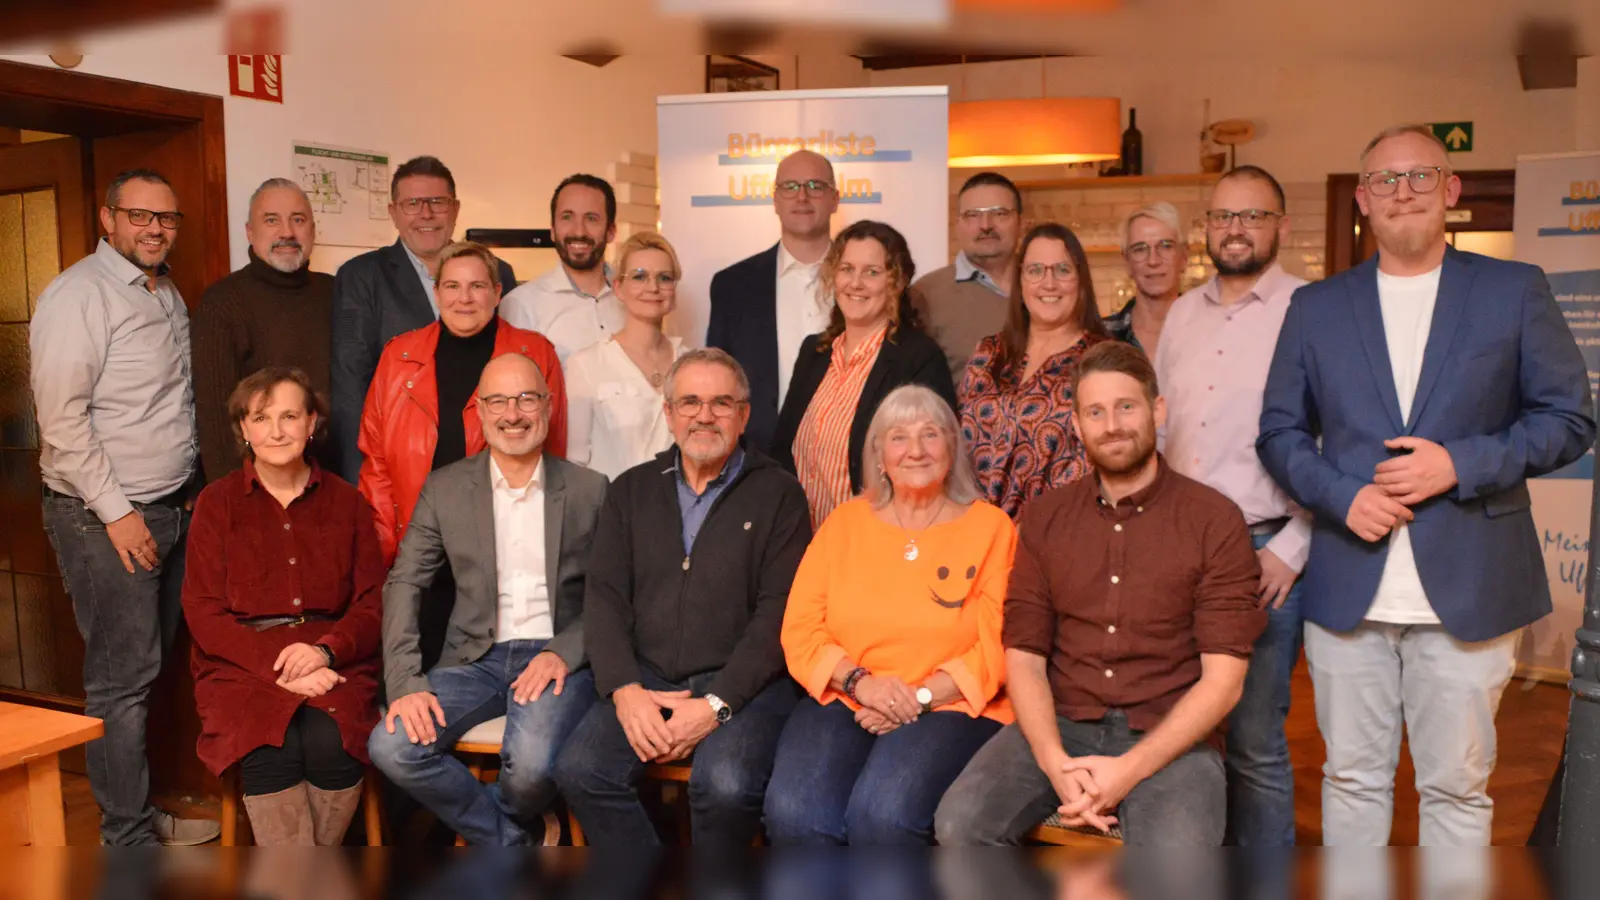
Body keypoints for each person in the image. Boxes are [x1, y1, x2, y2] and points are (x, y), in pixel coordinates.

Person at [1257, 124, 1595, 846]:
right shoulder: (1316, 308)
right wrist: (1344, 496)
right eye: (1385, 179)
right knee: (1349, 781)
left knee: (1457, 790)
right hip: (1349, 586)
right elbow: (1279, 433)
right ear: (1362, 200)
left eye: (1420, 176)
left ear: (1451, 190)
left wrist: (1459, 464)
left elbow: (1568, 419)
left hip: (1471, 586)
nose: (1402, 192)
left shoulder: (1514, 289)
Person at [936, 341, 1265, 845]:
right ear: (1076, 423)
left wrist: (1127, 770)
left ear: (1157, 409)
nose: (1111, 424)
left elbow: (1224, 683)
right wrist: (1053, 762)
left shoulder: (1214, 520)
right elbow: (1023, 655)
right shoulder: (1047, 518)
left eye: (1126, 407)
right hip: (1061, 722)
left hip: (1170, 734)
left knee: (1176, 866)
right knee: (959, 826)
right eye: (1095, 411)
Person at [554, 349, 812, 846]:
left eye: (721, 403)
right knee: (582, 770)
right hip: (647, 677)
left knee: (725, 785)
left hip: (747, 682)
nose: (705, 416)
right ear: (668, 412)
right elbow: (604, 600)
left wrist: (716, 704)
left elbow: (778, 614)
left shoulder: (781, 494)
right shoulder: (630, 490)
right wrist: (624, 690)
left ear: (744, 415)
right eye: (689, 402)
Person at [29, 168, 218, 846]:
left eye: (166, 218)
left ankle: (138, 815)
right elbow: (62, 421)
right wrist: (117, 512)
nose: (154, 228)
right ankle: (127, 840)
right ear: (107, 219)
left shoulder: (164, 292)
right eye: (139, 216)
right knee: (121, 682)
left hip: (170, 507)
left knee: (146, 670)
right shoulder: (79, 295)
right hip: (103, 518)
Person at [368, 354, 608, 845]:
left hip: (554, 658)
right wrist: (405, 680)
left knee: (531, 771)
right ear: (478, 411)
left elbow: (615, 595)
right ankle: (515, 839)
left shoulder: (591, 489)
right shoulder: (446, 488)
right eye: (497, 401)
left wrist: (564, 651)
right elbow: (404, 582)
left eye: (526, 398)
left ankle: (504, 828)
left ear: (548, 406)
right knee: (392, 747)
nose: (512, 414)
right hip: (471, 660)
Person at [764, 385, 1015, 844]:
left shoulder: (992, 528)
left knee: (884, 814)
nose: (916, 450)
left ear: (953, 447)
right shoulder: (844, 523)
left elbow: (998, 645)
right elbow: (801, 630)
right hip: (849, 694)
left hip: (952, 704)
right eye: (898, 437)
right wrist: (864, 685)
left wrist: (915, 699)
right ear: (879, 454)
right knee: (795, 812)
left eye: (931, 435)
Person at [1154, 166, 1310, 847]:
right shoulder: (1183, 314)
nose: (1236, 229)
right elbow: (1162, 432)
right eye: (1222, 217)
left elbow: (1336, 439)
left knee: (1254, 742)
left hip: (1263, 553)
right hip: (1176, 551)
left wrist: (1292, 546)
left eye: (1251, 215)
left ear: (1282, 224)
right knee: (1173, 727)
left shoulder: (1313, 311)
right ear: (1205, 230)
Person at [182, 367, 384, 845]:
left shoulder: (347, 502)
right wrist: (280, 669)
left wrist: (326, 652)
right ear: (244, 430)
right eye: (261, 417)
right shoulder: (217, 503)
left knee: (330, 742)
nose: (276, 431)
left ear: (311, 424)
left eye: (289, 415)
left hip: (333, 659)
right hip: (241, 664)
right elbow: (203, 612)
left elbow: (373, 602)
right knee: (267, 746)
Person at [358, 241, 565, 669]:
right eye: (451, 286)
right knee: (415, 684)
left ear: (497, 291)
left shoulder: (534, 353)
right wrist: (387, 548)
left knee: (490, 680)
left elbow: (552, 452)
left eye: (476, 286)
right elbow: (375, 462)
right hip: (419, 546)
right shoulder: (399, 357)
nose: (464, 298)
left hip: (501, 549)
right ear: (436, 293)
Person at [331, 156, 519, 484]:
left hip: (492, 463)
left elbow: (511, 361)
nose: (426, 214)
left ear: (456, 209)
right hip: (405, 468)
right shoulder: (361, 277)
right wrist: (358, 486)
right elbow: (351, 390)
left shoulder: (498, 271)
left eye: (437, 202)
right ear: (393, 212)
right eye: (412, 203)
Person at [771, 220, 956, 527]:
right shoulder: (813, 354)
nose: (855, 283)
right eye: (846, 269)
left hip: (875, 543)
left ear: (896, 282)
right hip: (803, 545)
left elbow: (930, 465)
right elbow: (781, 449)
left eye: (872, 272)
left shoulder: (918, 359)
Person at [959, 223, 1112, 521]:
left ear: (1081, 280)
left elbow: (1107, 462)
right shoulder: (988, 353)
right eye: (1036, 270)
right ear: (1021, 280)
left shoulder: (1101, 360)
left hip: (1059, 539)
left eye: (1062, 270)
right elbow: (956, 448)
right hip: (973, 540)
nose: (1049, 283)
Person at [193, 178, 335, 482]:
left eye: (298, 219)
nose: (287, 232)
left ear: (313, 229)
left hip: (333, 486)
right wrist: (237, 504)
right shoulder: (222, 303)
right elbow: (216, 422)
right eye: (271, 220)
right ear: (249, 231)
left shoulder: (337, 292)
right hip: (260, 491)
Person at [707, 149, 839, 452]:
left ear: (835, 199)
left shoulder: (865, 282)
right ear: (775, 200)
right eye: (790, 187)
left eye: (815, 186)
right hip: (759, 459)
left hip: (849, 459)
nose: (802, 197)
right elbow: (720, 379)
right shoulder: (733, 286)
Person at [564, 231, 690, 479]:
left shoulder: (691, 364)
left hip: (682, 512)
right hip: (612, 511)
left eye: (664, 278)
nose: (653, 287)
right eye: (639, 277)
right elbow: (574, 463)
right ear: (618, 288)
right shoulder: (586, 365)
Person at [500, 174, 622, 364]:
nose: (579, 231)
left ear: (611, 231)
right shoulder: (521, 305)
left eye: (592, 218)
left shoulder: (634, 296)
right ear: (553, 230)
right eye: (567, 217)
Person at [910, 172, 1021, 378]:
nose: (986, 225)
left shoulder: (1048, 289)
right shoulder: (925, 294)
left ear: (1020, 221)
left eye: (1000, 213)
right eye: (973, 215)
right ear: (957, 225)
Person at [1103, 201, 1186, 358]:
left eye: (1166, 246)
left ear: (1184, 258)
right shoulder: (1101, 336)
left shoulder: (1209, 331)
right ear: (1127, 263)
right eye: (1140, 249)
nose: (1153, 261)